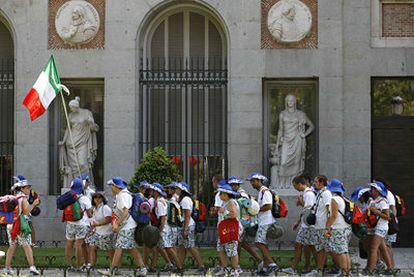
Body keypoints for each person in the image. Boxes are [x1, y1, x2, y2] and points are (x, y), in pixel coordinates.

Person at [98, 177, 147, 276]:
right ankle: (142, 269)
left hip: (126, 227)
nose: (111, 188)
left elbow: (125, 212)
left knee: (119, 247)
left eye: (112, 186)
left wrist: (117, 223)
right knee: (131, 248)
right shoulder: (125, 194)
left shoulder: (122, 195)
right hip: (128, 226)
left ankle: (112, 270)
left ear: (116, 187)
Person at [2, 176, 40, 275]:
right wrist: (34, 204)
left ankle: (7, 268)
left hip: (11, 225)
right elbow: (26, 212)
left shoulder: (14, 197)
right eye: (26, 187)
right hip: (21, 225)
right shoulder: (23, 198)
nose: (29, 189)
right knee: (27, 246)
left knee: (12, 246)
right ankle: (32, 268)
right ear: (21, 189)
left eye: (29, 187)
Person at [282, 175, 316, 275]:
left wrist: (301, 203)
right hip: (307, 225)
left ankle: (294, 268)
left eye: (295, 185)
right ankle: (317, 267)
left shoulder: (309, 194)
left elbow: (308, 210)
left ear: (300, 184)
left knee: (301, 245)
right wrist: (298, 221)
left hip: (308, 226)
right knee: (308, 246)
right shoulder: (307, 193)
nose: (295, 188)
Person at [228, 176, 263, 272]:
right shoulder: (235, 193)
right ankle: (259, 260)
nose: (232, 186)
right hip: (241, 221)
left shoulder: (242, 194)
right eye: (231, 184)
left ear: (237, 185)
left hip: (243, 222)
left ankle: (237, 266)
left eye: (234, 184)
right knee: (241, 243)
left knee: (238, 243)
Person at [247, 173, 279, 275]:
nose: (252, 183)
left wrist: (255, 210)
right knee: (263, 244)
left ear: (259, 181)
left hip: (266, 221)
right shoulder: (261, 191)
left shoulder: (265, 191)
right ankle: (265, 268)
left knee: (259, 243)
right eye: (251, 181)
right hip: (263, 221)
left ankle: (272, 264)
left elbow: (268, 206)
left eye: (253, 181)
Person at [362, 182, 394, 276]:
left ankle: (370, 271)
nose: (371, 190)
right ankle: (390, 269)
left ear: (378, 190)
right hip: (375, 227)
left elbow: (387, 217)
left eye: (373, 189)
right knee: (382, 248)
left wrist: (375, 211)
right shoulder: (373, 200)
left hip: (381, 227)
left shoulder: (382, 201)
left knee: (373, 248)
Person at [174, 182, 205, 274]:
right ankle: (180, 266)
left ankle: (201, 266)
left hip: (187, 226)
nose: (176, 190)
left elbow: (187, 215)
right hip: (184, 225)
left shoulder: (185, 200)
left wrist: (185, 229)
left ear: (182, 190)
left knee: (190, 246)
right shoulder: (183, 199)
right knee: (182, 247)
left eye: (177, 188)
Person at [152, 183, 183, 273]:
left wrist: (161, 231)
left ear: (157, 192)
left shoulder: (159, 202)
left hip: (164, 228)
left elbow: (163, 217)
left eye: (154, 191)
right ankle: (170, 264)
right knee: (161, 247)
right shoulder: (163, 200)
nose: (152, 192)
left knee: (168, 247)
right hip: (167, 227)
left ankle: (179, 267)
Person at [64, 178, 93, 271]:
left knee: (69, 244)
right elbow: (89, 214)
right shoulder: (84, 198)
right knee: (78, 245)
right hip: (81, 223)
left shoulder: (68, 197)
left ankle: (69, 265)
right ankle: (78, 266)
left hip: (70, 223)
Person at [306, 175, 331, 276]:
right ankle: (321, 268)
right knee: (320, 248)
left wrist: (328, 226)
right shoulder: (320, 193)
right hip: (319, 225)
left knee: (324, 249)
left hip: (323, 226)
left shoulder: (326, 194)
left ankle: (321, 270)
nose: (314, 183)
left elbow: (329, 209)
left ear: (321, 183)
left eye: (316, 182)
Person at [325, 179, 352, 276]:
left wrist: (327, 227)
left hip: (338, 228)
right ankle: (347, 272)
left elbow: (334, 215)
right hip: (346, 227)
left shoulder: (334, 199)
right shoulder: (343, 198)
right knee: (344, 251)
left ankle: (344, 273)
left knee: (340, 252)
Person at [215, 183, 242, 277]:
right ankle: (225, 269)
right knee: (221, 249)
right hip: (224, 229)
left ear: (226, 194)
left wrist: (224, 211)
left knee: (232, 250)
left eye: (220, 193)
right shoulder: (225, 202)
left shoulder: (231, 202)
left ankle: (235, 270)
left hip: (230, 229)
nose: (219, 195)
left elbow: (233, 214)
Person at [373, 177, 397, 271]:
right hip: (385, 222)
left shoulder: (387, 194)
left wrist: (390, 221)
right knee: (383, 246)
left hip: (388, 223)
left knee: (387, 246)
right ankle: (388, 267)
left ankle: (391, 266)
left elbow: (392, 208)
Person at [88, 192, 114, 268]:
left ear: (102, 199)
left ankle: (113, 266)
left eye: (99, 197)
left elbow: (109, 220)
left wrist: (97, 224)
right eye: (95, 198)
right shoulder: (95, 208)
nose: (97, 199)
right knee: (92, 247)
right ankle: (92, 265)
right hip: (97, 232)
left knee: (109, 250)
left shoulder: (105, 208)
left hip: (106, 232)